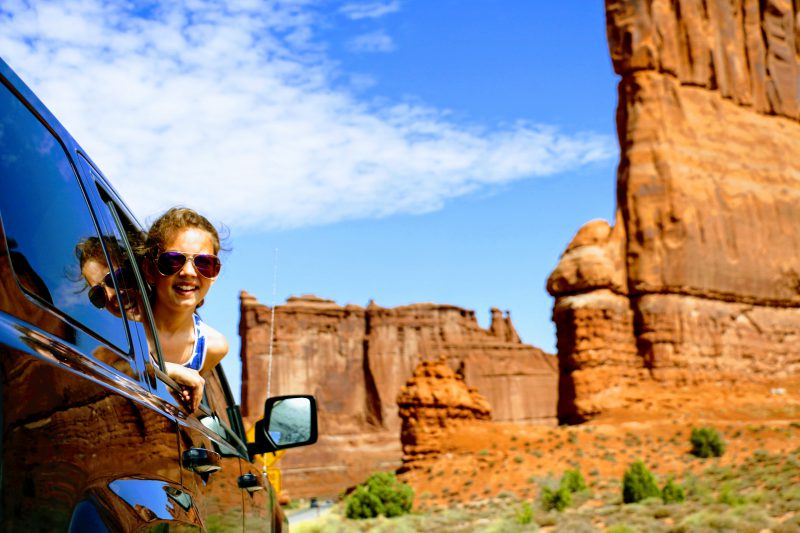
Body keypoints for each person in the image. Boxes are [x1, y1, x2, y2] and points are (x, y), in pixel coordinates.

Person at [76, 235, 206, 409]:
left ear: (140, 272)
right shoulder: (110, 350)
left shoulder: (193, 338)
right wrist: (165, 371)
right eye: (98, 294)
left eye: (117, 278)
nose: (111, 295)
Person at [142, 207, 229, 409]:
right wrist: (165, 370)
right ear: (149, 270)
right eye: (173, 260)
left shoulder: (212, 347)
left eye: (204, 263)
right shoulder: (124, 324)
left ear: (214, 274)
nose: (189, 272)